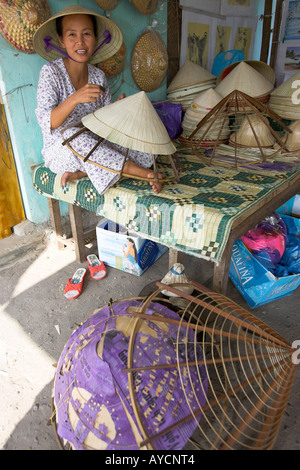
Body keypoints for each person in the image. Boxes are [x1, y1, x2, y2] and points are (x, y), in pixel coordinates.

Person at [34, 5, 163, 194]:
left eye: (86, 34)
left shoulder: (98, 76)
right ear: (61, 40)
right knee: (74, 137)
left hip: (96, 145)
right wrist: (75, 98)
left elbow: (105, 124)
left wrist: (116, 110)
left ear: (95, 39)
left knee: (145, 151)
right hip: (63, 150)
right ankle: (142, 173)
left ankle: (84, 172)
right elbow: (48, 123)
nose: (80, 42)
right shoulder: (51, 73)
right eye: (72, 35)